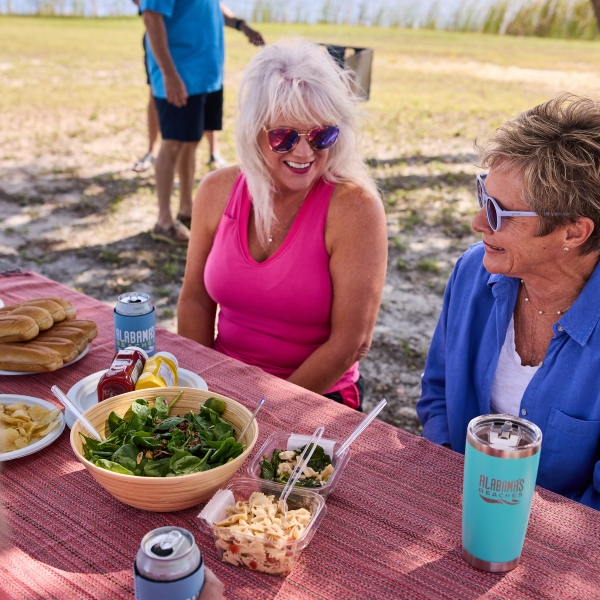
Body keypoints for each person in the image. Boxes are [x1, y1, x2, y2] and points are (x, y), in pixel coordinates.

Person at [177, 40, 388, 410]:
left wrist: (264, 410)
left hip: (315, 397)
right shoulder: (216, 190)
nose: (305, 152)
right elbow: (195, 299)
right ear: (253, 132)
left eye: (322, 134)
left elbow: (351, 342)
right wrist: (201, 389)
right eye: (284, 136)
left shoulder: (356, 209)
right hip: (220, 390)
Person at [417, 94, 600, 510]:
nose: (478, 221)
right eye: (484, 195)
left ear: (574, 232)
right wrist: (452, 493)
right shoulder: (473, 272)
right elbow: (438, 394)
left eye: (500, 212)